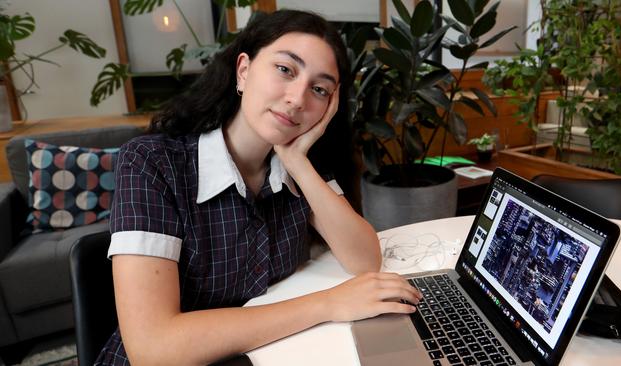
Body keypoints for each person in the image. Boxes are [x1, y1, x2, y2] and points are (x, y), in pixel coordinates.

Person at [96, 9, 421, 365]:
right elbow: (153, 348)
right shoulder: (152, 162)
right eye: (285, 69)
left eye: (319, 89)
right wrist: (329, 303)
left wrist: (296, 160)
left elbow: (365, 260)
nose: (298, 99)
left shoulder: (301, 162)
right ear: (244, 71)